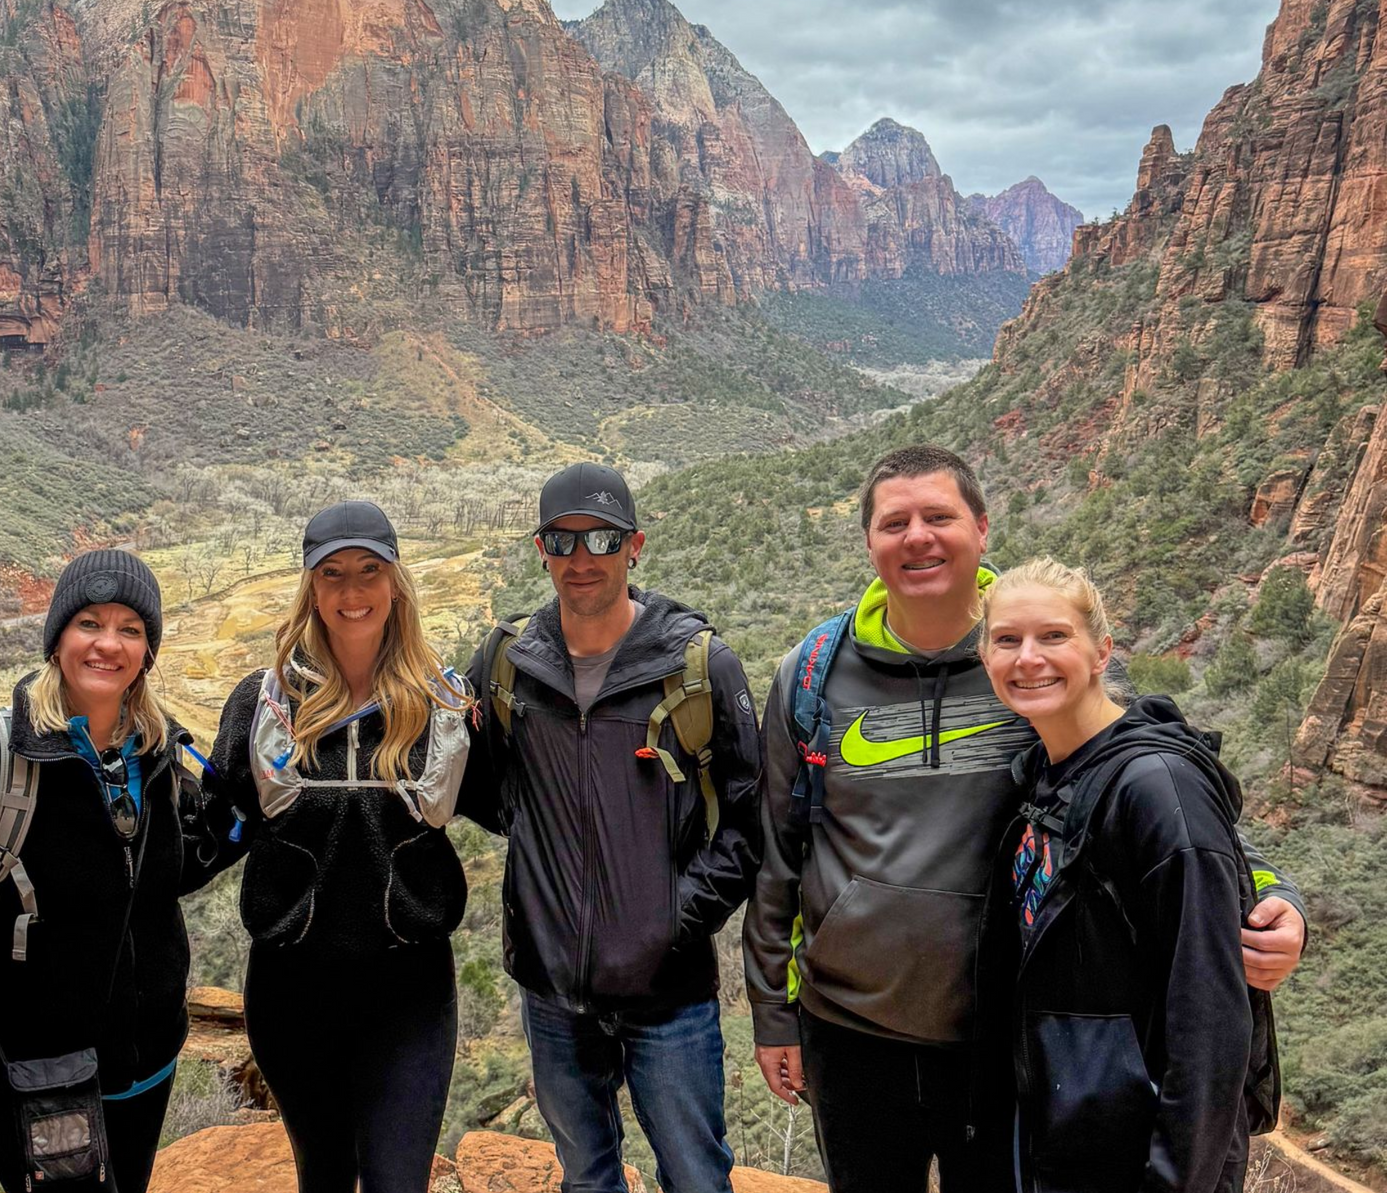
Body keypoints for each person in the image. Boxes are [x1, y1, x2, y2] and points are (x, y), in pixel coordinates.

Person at [746, 443, 1307, 1193]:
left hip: (1003, 1038)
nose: (918, 537)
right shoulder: (812, 675)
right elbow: (779, 852)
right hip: (850, 1032)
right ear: (870, 541)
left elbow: (1160, 792)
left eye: (939, 516)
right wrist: (773, 1012)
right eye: (895, 522)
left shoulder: (1039, 664)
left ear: (980, 527)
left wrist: (1276, 896)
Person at [462, 462, 763, 1193]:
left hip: (670, 991)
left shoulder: (697, 667)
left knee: (695, 1175)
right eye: (561, 541)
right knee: (585, 1175)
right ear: (539, 550)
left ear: (636, 546)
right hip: (551, 986)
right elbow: (478, 787)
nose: (581, 558)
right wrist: (542, 858)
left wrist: (672, 917)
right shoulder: (508, 664)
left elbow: (751, 821)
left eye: (601, 538)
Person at [0, 549, 225, 1193]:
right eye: (89, 622)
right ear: (57, 638)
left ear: (149, 650)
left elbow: (158, 878)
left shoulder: (159, 753)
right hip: (34, 1070)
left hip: (148, 1057)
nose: (107, 644)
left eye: (130, 629)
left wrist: (257, 814)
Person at [208, 500, 477, 1193]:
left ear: (395, 583)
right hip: (293, 990)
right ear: (311, 587)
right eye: (332, 574)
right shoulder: (261, 705)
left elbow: (509, 802)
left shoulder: (440, 703)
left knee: (397, 1181)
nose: (352, 592)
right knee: (324, 1175)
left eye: (369, 571)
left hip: (409, 991)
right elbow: (216, 824)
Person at [984, 558, 1261, 1193]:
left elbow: (1210, 1018)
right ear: (986, 657)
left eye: (1054, 636)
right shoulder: (1043, 776)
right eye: (1008, 640)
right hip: (1065, 1136)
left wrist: (1174, 1178)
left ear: (1102, 650)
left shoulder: (1157, 785)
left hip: (1140, 1158)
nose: (1029, 658)